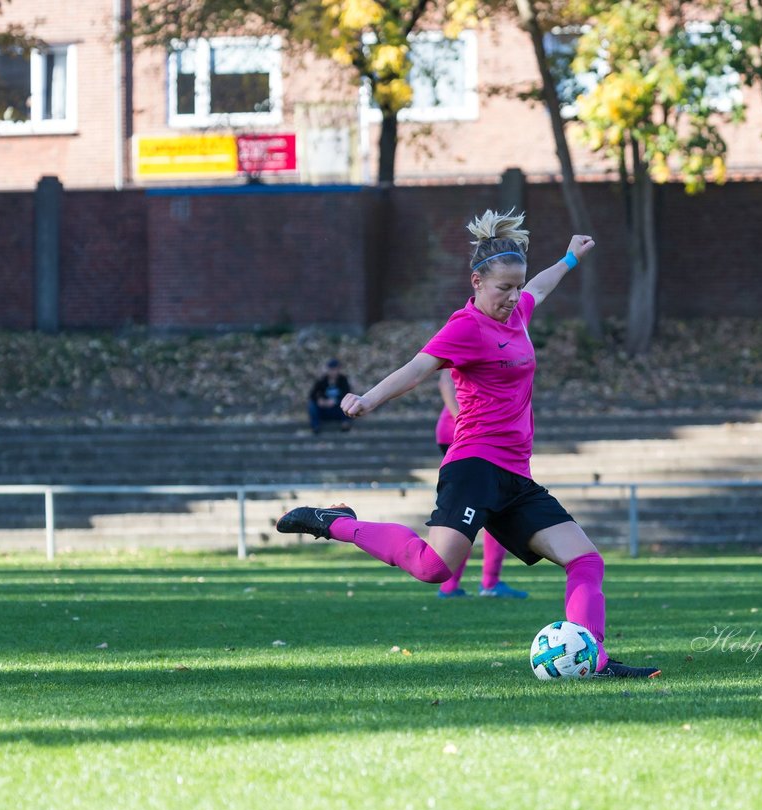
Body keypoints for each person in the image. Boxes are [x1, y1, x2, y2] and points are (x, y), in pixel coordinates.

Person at [277, 209, 659, 678]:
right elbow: (418, 368)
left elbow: (540, 287)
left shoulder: (518, 312)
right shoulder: (465, 327)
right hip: (474, 466)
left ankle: (593, 658)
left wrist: (569, 259)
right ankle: (334, 523)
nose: (514, 296)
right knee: (433, 567)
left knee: (585, 559)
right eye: (504, 288)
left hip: (516, 476)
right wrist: (368, 399)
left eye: (516, 286)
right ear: (477, 281)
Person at [434, 368, 528, 600]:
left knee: (487, 509)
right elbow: (445, 381)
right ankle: (482, 582)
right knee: (491, 508)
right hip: (469, 434)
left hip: (479, 433)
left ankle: (461, 584)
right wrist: (462, 424)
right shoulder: (470, 333)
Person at [308, 358, 351, 434]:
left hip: (338, 409)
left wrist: (335, 401)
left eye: (335, 369)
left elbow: (347, 393)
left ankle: (345, 423)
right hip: (324, 409)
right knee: (311, 405)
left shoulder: (343, 380)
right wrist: (320, 400)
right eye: (331, 369)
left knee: (348, 402)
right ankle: (315, 426)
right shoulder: (322, 381)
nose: (333, 372)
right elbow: (312, 394)